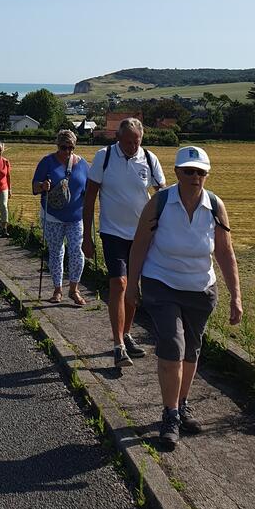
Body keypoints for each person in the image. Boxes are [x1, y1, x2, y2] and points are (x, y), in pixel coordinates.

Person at [127, 146, 243, 449]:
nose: (194, 176)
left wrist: (236, 296)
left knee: (191, 350)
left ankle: (181, 404)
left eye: (200, 171)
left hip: (200, 289)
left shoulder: (215, 206)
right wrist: (131, 285)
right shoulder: (160, 203)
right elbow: (140, 244)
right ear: (177, 172)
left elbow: (225, 252)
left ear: (206, 174)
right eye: (188, 171)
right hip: (161, 283)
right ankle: (170, 415)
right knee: (172, 344)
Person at [83, 118, 166, 368]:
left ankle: (127, 334)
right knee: (119, 283)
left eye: (136, 141)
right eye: (127, 141)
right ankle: (118, 345)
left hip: (141, 236)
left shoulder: (150, 159)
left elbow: (162, 194)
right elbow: (89, 198)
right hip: (112, 232)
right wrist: (87, 236)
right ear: (118, 138)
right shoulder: (104, 157)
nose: (132, 146)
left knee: (133, 287)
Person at [32, 130, 89, 305]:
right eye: (64, 147)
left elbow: (89, 189)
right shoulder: (47, 162)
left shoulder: (83, 164)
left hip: (75, 217)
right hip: (52, 216)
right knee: (56, 252)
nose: (67, 152)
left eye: (71, 148)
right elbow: (34, 188)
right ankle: (57, 290)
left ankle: (74, 289)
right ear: (58, 146)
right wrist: (43, 185)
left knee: (77, 252)